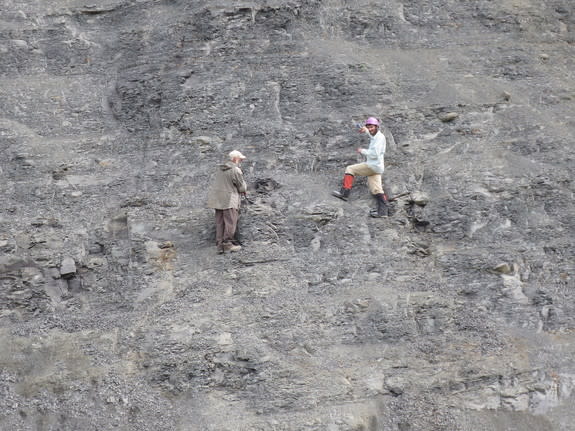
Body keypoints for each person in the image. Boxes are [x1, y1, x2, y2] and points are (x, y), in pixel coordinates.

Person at [332, 117, 389, 217]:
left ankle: (344, 193)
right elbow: (373, 137)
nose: (370, 129)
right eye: (368, 127)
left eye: (371, 127)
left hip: (373, 165)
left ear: (377, 127)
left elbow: (374, 154)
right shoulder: (377, 136)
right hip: (377, 167)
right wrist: (366, 131)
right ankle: (383, 212)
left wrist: (362, 151)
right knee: (376, 189)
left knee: (350, 169)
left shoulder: (380, 138)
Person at [207, 150, 248, 253]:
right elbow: (242, 187)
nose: (241, 161)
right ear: (235, 159)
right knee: (230, 222)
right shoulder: (236, 170)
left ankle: (220, 246)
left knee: (220, 222)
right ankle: (228, 244)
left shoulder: (221, 169)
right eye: (240, 159)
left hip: (218, 200)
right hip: (230, 200)